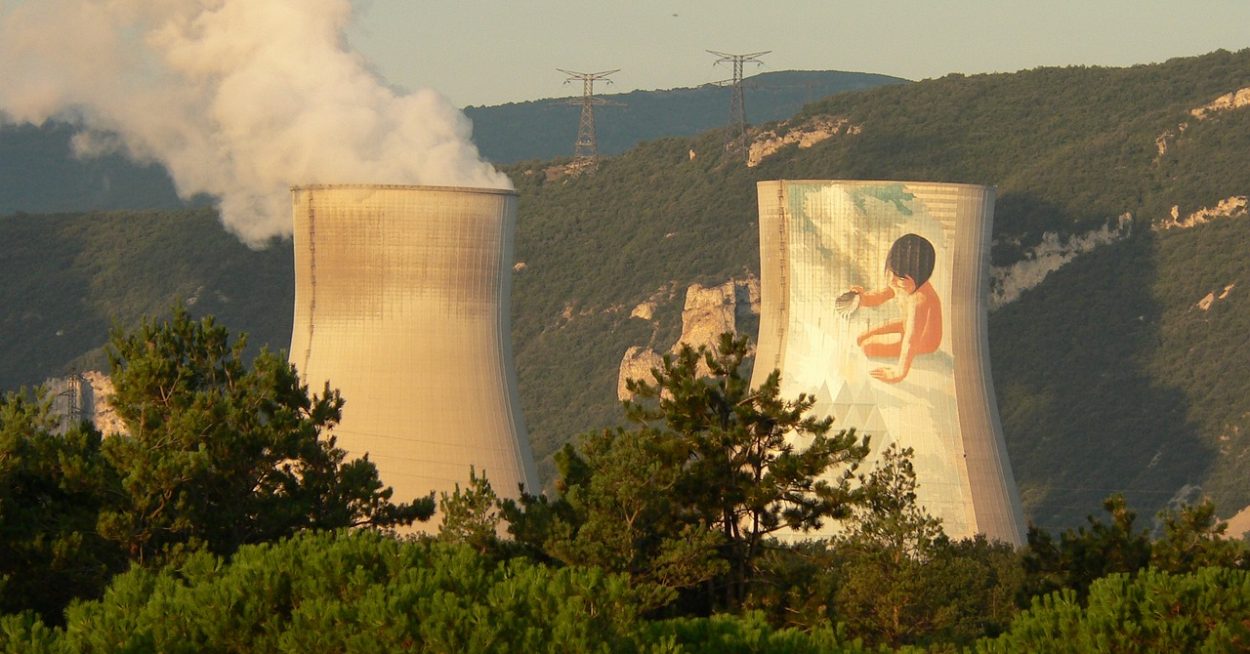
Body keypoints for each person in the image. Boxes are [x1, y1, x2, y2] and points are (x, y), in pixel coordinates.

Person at [848, 233, 942, 384]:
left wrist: (898, 373)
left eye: (900, 277)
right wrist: (861, 298)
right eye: (891, 272)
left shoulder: (920, 300)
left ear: (920, 278)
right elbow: (880, 296)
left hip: (923, 340)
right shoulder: (901, 284)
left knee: (868, 347)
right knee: (861, 337)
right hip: (907, 325)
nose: (892, 280)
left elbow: (911, 340)